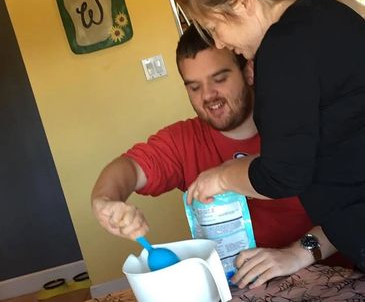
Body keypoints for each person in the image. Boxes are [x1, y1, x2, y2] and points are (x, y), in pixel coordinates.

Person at [91, 25, 349, 288]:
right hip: (240, 287)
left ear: (249, 72)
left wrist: (296, 254)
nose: (208, 96)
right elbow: (129, 168)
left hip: (334, 276)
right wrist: (105, 201)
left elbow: (354, 206)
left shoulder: (301, 124)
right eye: (194, 87)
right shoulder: (184, 140)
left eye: (220, 78)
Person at [183, 0, 365, 279]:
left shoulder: (282, 48)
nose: (221, 43)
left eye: (214, 27)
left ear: (242, 2)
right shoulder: (323, 11)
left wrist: (222, 177)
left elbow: (283, 175)